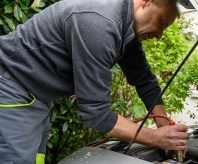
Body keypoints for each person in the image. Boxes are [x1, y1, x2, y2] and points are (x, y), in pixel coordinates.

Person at [0, 0, 188, 163]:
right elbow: (96, 114)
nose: (159, 35)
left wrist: (166, 128)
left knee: (35, 159)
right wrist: (156, 137)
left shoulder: (125, 28)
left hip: (36, 97)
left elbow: (145, 80)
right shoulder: (100, 22)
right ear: (146, 1)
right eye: (161, 23)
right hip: (12, 89)